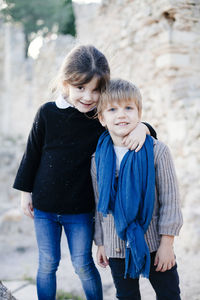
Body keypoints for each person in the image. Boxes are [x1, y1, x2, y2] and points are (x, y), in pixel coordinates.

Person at [13, 45, 157, 300]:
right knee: (47, 263)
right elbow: (32, 153)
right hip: (44, 207)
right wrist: (26, 193)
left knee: (82, 264)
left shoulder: (99, 119)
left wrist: (143, 128)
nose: (89, 97)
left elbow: (125, 127)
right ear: (66, 82)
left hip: (80, 210)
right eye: (81, 88)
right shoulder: (47, 112)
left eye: (97, 90)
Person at [92, 79, 183, 300]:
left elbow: (170, 199)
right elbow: (98, 206)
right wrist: (101, 242)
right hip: (116, 245)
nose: (121, 114)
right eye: (112, 109)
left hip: (153, 242)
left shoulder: (157, 151)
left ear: (139, 113)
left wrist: (167, 244)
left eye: (128, 108)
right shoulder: (97, 159)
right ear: (102, 118)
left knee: (169, 293)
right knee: (126, 296)